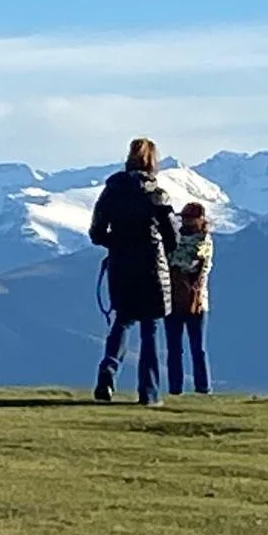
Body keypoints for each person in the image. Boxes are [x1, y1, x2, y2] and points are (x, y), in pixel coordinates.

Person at [90, 137, 179, 405]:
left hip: (121, 265)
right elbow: (172, 235)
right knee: (150, 327)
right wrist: (163, 252)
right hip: (152, 267)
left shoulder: (111, 191)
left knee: (122, 321)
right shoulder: (157, 194)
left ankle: (107, 373)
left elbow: (96, 233)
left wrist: (116, 244)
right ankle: (149, 393)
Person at [165, 201, 214, 395]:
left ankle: (202, 387)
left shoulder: (203, 242)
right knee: (175, 348)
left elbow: (188, 261)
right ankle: (177, 388)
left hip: (195, 301)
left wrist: (172, 261)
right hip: (180, 299)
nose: (186, 221)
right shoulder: (177, 238)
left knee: (196, 348)